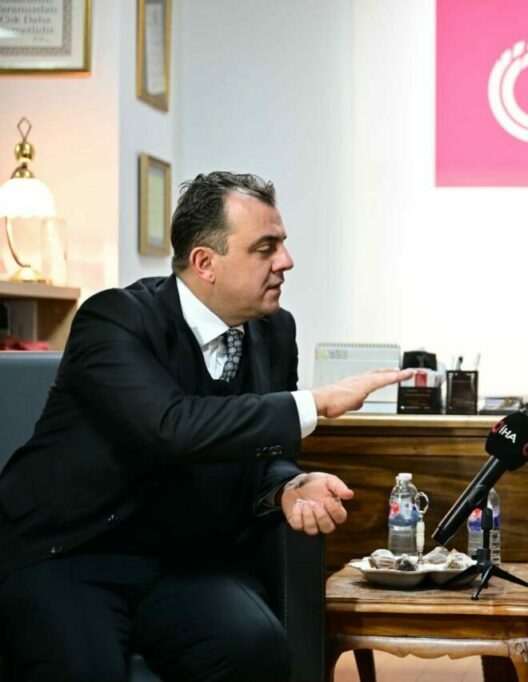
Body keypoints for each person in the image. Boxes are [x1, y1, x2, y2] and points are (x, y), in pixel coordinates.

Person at [0, 172, 412, 682]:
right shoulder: (114, 319)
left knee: (256, 648)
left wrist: (288, 485)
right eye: (266, 248)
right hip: (72, 553)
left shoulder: (275, 330)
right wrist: (316, 402)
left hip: (182, 565)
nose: (286, 261)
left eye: (282, 244)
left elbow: (264, 452)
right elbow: (171, 427)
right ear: (204, 263)